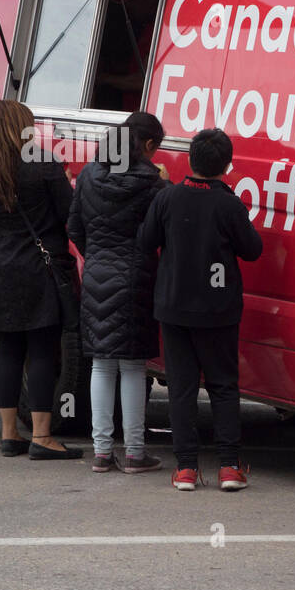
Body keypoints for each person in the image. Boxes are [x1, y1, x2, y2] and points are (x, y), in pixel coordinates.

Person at [139, 128, 262, 492]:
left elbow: (145, 242)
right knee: (223, 386)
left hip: (173, 306)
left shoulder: (167, 198)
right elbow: (252, 249)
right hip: (218, 310)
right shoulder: (229, 203)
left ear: (190, 161)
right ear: (226, 165)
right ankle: (228, 467)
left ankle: (186, 470)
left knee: (181, 388)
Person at [0, 100, 82, 459]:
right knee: (42, 352)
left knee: (8, 351)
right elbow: (70, 213)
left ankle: (9, 435)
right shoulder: (43, 163)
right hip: (37, 267)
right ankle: (42, 435)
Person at [67, 112, 168, 474]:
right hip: (137, 277)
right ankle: (136, 452)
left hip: (96, 275)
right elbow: (163, 233)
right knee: (133, 365)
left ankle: (102, 451)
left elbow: (73, 225)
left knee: (101, 363)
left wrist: (95, 253)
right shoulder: (154, 186)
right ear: (147, 145)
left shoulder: (90, 176)